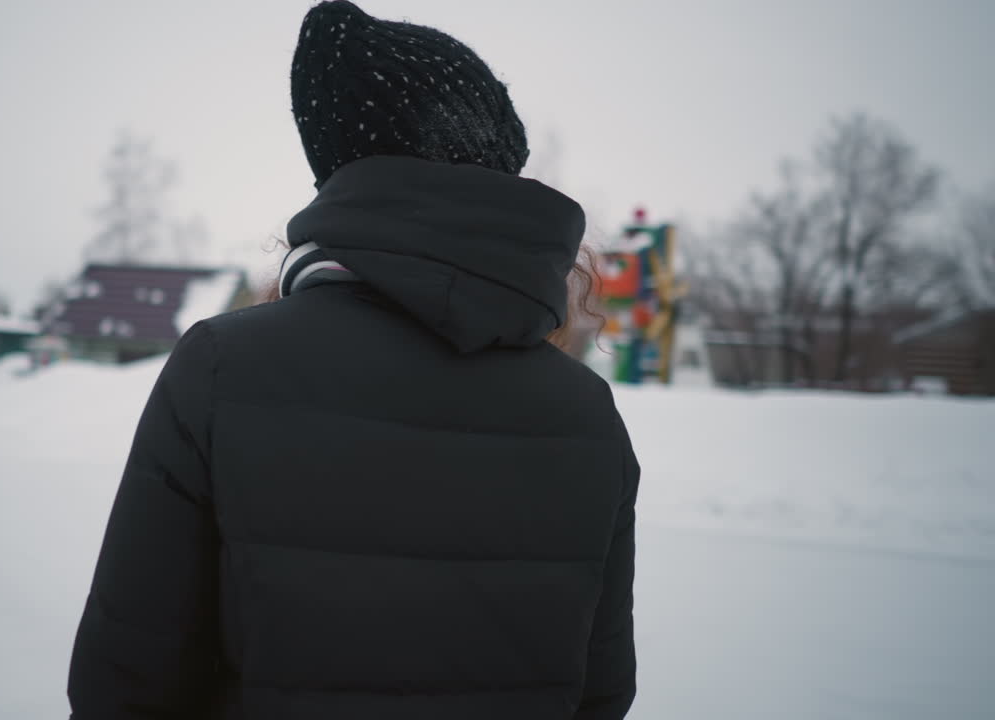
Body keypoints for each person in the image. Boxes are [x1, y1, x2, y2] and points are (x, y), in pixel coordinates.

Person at [67, 2, 639, 718]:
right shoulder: (588, 414)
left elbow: (124, 687)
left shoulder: (222, 368)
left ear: (341, 175)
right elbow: (601, 696)